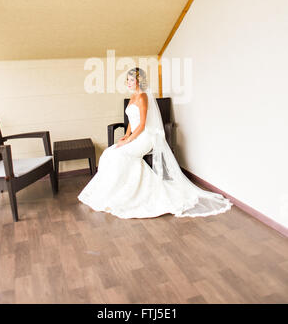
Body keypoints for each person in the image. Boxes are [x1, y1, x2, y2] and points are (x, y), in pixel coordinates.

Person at [78, 67, 233, 219]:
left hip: (146, 137)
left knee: (121, 155)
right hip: (134, 136)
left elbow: (143, 124)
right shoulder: (132, 97)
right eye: (128, 80)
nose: (129, 82)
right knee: (109, 153)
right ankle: (109, 192)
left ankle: (134, 193)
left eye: (132, 80)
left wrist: (130, 140)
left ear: (139, 81)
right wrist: (125, 136)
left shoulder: (143, 97)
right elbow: (132, 121)